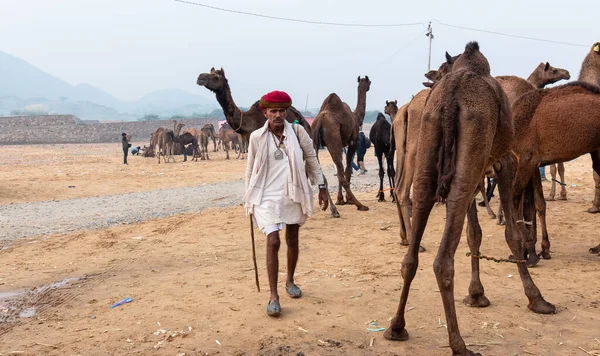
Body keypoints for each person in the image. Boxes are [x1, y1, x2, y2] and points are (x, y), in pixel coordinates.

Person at [244, 90, 329, 317]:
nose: (278, 115)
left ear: (286, 112)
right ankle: (274, 295)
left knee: (292, 237)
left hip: (294, 191)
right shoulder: (256, 138)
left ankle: (290, 281)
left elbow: (311, 158)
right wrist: (248, 199)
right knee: (273, 241)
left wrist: (322, 186)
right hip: (266, 196)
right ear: (265, 113)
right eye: (273, 111)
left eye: (282, 111)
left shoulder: (298, 132)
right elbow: (250, 170)